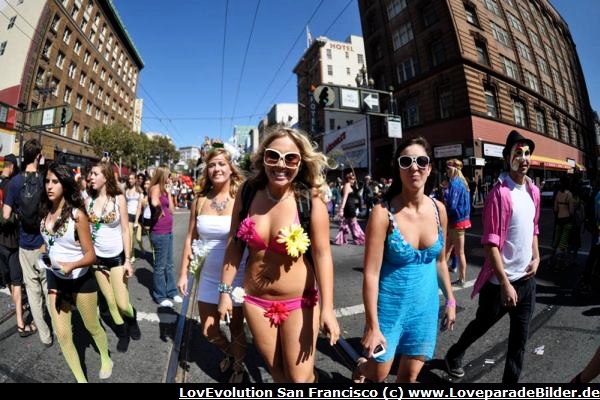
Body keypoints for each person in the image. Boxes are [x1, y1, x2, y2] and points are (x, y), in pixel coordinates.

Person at [218, 125, 340, 383]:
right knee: (279, 376)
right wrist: (225, 292)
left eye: (290, 158)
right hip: (256, 302)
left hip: (300, 303)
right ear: (263, 158)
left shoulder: (310, 199)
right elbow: (234, 244)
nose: (281, 165)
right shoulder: (247, 192)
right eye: (273, 156)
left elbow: (322, 255)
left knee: (300, 379)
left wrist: (328, 309)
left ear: (300, 162)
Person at [353, 137, 456, 383]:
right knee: (378, 374)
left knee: (409, 377)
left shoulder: (439, 210)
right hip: (389, 309)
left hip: (425, 309)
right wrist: (372, 325)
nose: (414, 167)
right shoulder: (382, 213)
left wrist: (451, 300)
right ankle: (361, 368)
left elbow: (440, 262)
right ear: (398, 169)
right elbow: (371, 273)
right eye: (406, 161)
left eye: (421, 161)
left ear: (429, 168)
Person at [445, 130, 540, 383]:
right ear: (507, 158)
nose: (524, 158)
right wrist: (506, 283)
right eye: (518, 153)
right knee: (481, 325)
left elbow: (534, 228)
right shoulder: (499, 194)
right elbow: (490, 244)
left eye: (527, 153)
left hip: (527, 283)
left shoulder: (533, 191)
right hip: (500, 284)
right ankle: (454, 354)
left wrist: (537, 257)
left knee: (519, 344)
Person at [177, 148, 247, 383]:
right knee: (208, 329)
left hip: (237, 273)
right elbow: (190, 238)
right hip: (207, 275)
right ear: (206, 170)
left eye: (221, 164)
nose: (217, 169)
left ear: (231, 168)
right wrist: (183, 273)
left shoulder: (242, 198)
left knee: (236, 327)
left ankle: (238, 366)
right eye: (212, 165)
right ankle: (230, 352)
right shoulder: (200, 200)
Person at [40, 162, 112, 382]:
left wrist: (71, 266)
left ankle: (106, 357)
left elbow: (91, 256)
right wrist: (44, 255)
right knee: (62, 335)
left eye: (55, 182)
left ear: (65, 185)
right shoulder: (45, 212)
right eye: (47, 181)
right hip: (55, 279)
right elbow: (49, 242)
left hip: (80, 279)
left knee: (92, 325)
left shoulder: (77, 215)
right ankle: (81, 380)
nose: (49, 186)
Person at [3, 139, 53, 346]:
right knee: (48, 286)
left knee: (32, 291)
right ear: (38, 156)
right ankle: (59, 327)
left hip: (24, 244)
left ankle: (45, 335)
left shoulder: (15, 182)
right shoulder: (45, 180)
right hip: (44, 244)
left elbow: (6, 215)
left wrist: (19, 213)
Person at [87, 161, 141, 352]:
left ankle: (132, 319)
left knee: (122, 303)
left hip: (117, 257)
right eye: (90, 174)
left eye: (95, 174)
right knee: (110, 302)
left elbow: (125, 230)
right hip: (97, 260)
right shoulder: (88, 199)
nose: (91, 177)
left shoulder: (119, 199)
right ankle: (123, 332)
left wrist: (127, 260)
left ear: (106, 177)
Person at [0, 154, 32, 337]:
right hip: (11, 241)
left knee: (8, 279)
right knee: (16, 281)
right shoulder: (11, 186)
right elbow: (11, 214)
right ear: (12, 167)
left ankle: (18, 304)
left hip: (0, 242)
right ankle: (21, 324)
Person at [148, 166, 180, 307]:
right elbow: (154, 202)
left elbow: (172, 210)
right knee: (160, 267)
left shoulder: (164, 190)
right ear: (162, 176)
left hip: (168, 231)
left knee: (169, 264)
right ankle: (160, 295)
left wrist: (169, 193)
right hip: (159, 232)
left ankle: (172, 291)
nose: (170, 178)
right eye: (169, 176)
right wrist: (160, 209)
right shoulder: (155, 188)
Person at [444, 159, 472, 286]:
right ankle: (459, 278)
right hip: (462, 220)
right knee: (450, 250)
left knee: (454, 251)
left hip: (455, 220)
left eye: (448, 169)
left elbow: (452, 205)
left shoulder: (455, 184)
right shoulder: (464, 183)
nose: (447, 171)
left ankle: (459, 279)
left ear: (454, 169)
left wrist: (444, 201)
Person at [334, 170, 365, 245]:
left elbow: (357, 195)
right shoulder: (347, 185)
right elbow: (344, 198)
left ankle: (342, 239)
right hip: (349, 207)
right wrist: (341, 209)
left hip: (350, 206)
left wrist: (358, 187)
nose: (353, 180)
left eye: (354, 179)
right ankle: (359, 238)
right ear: (348, 179)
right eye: (352, 179)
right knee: (353, 223)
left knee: (346, 224)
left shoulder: (350, 186)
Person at [550, 176, 574, 268]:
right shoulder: (569, 195)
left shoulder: (558, 194)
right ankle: (558, 263)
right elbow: (571, 211)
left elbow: (555, 209)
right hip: (567, 221)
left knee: (556, 242)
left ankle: (550, 260)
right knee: (563, 244)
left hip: (559, 220)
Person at [125, 173, 144, 263]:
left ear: (135, 179)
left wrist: (136, 221)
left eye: (132, 178)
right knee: (130, 238)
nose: (130, 180)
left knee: (138, 238)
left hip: (137, 217)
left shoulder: (139, 191)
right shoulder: (126, 190)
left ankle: (141, 246)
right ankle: (132, 255)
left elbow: (139, 206)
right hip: (128, 216)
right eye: (129, 178)